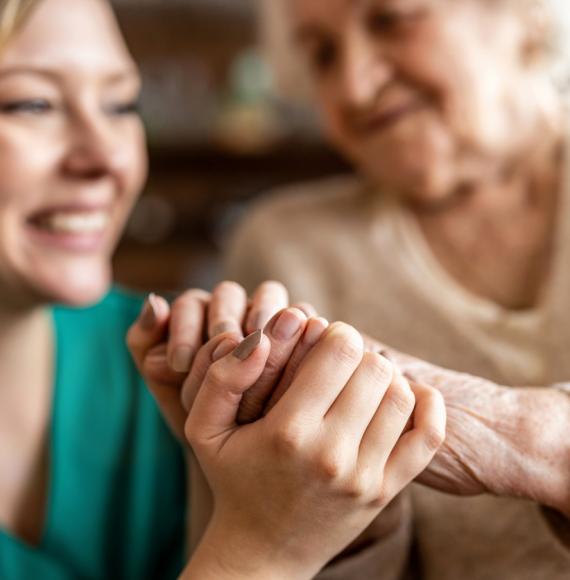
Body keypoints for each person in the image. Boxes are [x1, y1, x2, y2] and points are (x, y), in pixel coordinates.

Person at [0, 1, 446, 578]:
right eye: (30, 103)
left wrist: (327, 506)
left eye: (121, 104)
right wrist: (265, 549)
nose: (108, 156)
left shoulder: (166, 365)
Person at [223, 0, 570, 577]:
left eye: (391, 19)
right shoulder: (290, 251)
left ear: (525, 13)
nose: (354, 87)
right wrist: (345, 516)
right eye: (322, 55)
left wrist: (525, 439)